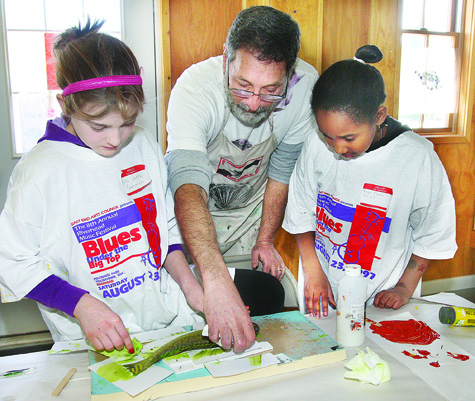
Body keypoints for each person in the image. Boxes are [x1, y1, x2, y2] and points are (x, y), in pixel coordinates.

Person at [0, 20, 205, 353]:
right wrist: (82, 306)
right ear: (65, 105)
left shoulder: (142, 144)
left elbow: (164, 227)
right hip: (90, 336)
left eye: (127, 122)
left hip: (168, 315)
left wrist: (191, 285)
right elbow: (13, 262)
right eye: (98, 126)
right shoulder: (39, 172)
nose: (114, 139)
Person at [165, 6, 319, 351]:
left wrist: (265, 240)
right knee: (191, 328)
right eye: (242, 85)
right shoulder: (194, 89)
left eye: (270, 91)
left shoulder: (306, 89)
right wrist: (215, 279)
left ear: (290, 73)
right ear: (226, 59)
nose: (252, 103)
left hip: (247, 218)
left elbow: (281, 171)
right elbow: (187, 187)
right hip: (193, 217)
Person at [283, 45, 457, 319]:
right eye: (327, 135)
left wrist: (403, 288)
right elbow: (301, 213)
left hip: (386, 293)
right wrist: (314, 273)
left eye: (349, 138)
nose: (337, 148)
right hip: (323, 285)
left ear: (378, 117)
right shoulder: (315, 145)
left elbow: (433, 230)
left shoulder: (416, 156)